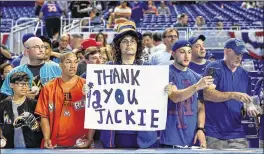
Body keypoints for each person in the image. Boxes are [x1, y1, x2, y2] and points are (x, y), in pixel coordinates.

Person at [100, 21, 158, 149]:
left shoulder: (149, 69)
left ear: (138, 45)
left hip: (143, 137)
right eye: (125, 41)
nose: (129, 44)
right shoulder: (107, 69)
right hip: (114, 135)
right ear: (118, 46)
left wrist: (165, 90)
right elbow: (95, 93)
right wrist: (88, 89)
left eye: (132, 41)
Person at [203, 38, 259, 149]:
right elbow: (207, 94)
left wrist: (251, 106)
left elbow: (248, 99)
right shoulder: (214, 67)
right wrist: (233, 95)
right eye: (237, 53)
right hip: (215, 134)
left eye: (242, 54)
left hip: (238, 133)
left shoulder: (244, 74)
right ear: (226, 51)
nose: (240, 57)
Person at [161, 40, 214, 148]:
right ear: (173, 54)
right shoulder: (166, 73)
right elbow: (175, 97)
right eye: (182, 52)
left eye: (189, 52)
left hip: (192, 140)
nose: (186, 56)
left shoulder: (196, 77)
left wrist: (200, 129)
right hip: (170, 139)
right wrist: (197, 86)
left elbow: (200, 107)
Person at [35, 52, 94, 148]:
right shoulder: (48, 88)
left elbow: (94, 115)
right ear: (60, 65)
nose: (73, 66)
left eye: (75, 62)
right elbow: (44, 117)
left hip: (81, 143)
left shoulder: (87, 86)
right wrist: (46, 138)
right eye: (68, 62)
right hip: (55, 144)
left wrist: (89, 138)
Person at [0, 72, 40, 148]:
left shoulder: (34, 104)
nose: (24, 87)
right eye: (21, 84)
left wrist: (35, 124)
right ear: (11, 85)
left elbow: (40, 128)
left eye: (27, 84)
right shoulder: (3, 104)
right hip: (9, 147)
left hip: (31, 148)